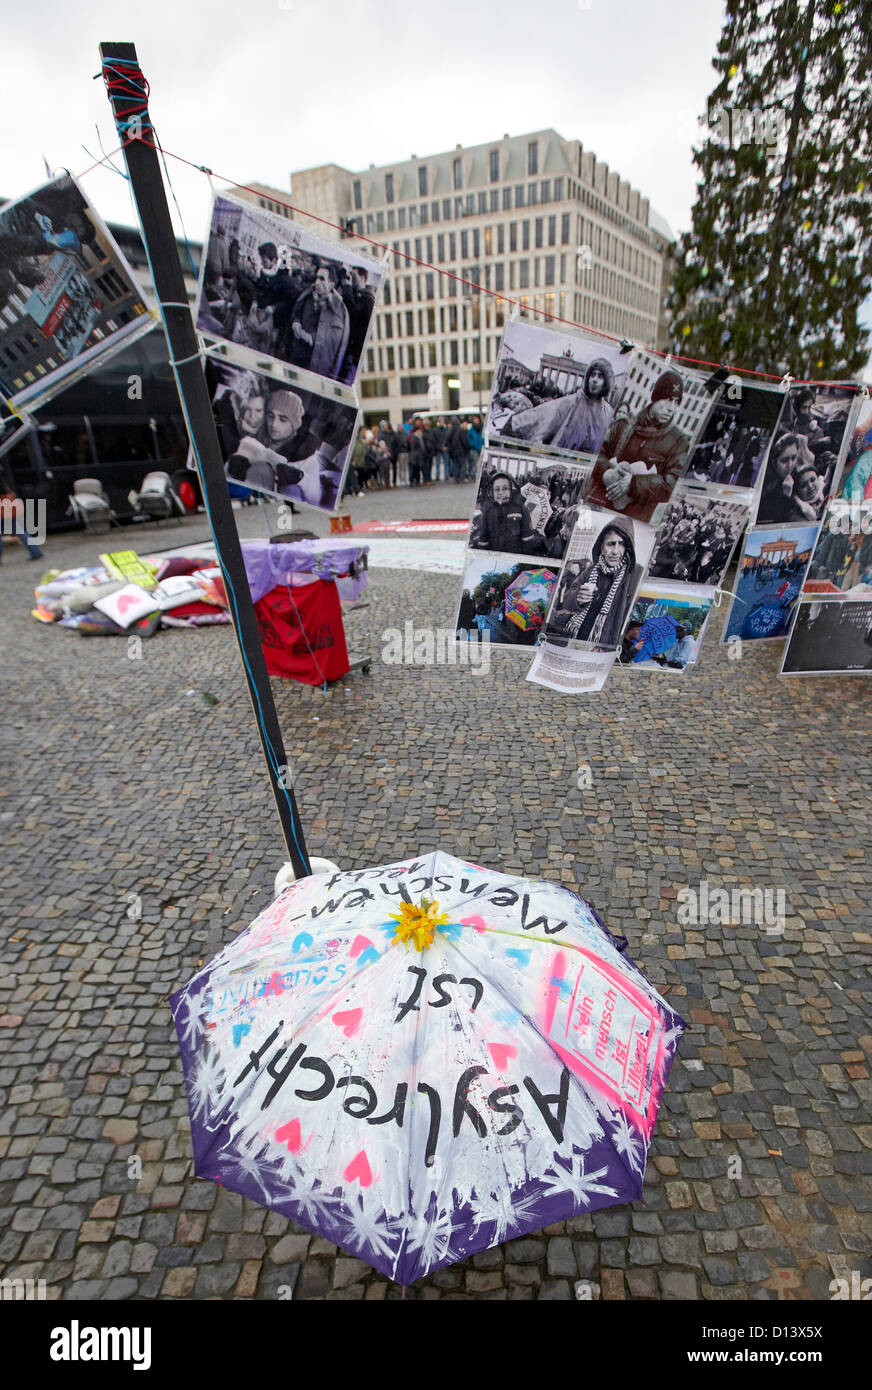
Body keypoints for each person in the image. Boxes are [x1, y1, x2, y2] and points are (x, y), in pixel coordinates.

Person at [587, 370, 690, 523]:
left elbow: (670, 486)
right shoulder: (624, 425)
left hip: (637, 521)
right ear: (655, 398)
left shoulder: (679, 441)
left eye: (676, 402)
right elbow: (597, 456)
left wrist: (633, 484)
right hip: (601, 509)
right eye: (668, 399)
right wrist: (608, 472)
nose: (671, 408)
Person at [546, 517, 641, 648]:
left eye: (622, 544)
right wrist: (577, 598)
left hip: (602, 646)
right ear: (602, 547)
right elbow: (568, 600)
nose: (615, 551)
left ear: (627, 548)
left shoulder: (635, 575)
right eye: (611, 544)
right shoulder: (591, 570)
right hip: (576, 637)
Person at [503, 358, 615, 453]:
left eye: (600, 376)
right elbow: (545, 412)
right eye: (592, 375)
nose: (594, 380)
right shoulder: (573, 401)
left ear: (606, 383)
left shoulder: (608, 412)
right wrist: (518, 421)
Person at [286, 262, 350, 379]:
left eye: (322, 279)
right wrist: (296, 323)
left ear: (331, 284)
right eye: (316, 278)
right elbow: (297, 313)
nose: (317, 282)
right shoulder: (306, 296)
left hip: (316, 365)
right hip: (297, 357)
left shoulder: (340, 310)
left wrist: (311, 338)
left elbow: (334, 340)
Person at [477, 472, 543, 554]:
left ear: (511, 490)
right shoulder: (487, 511)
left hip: (514, 554)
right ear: (492, 492)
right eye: (497, 489)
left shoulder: (521, 509)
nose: (501, 492)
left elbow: (527, 539)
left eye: (505, 488)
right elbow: (483, 540)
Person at [757, 433, 814, 525]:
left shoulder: (797, 472)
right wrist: (786, 495)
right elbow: (772, 519)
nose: (790, 465)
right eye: (784, 460)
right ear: (773, 461)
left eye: (793, 458)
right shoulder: (768, 485)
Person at [0, 462, 43, 563]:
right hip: (6, 504)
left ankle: (35, 552)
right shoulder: (2, 474)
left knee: (16, 529)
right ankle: (35, 551)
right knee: (18, 529)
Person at [447, 417, 468, 482]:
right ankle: (461, 478)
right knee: (462, 465)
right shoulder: (461, 430)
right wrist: (467, 448)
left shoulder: (450, 430)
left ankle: (456, 477)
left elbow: (448, 440)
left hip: (453, 451)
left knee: (455, 465)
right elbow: (464, 441)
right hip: (461, 451)